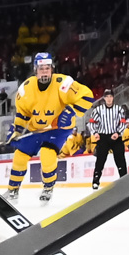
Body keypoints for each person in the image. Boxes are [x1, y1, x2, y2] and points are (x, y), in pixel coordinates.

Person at [7, 52, 94, 203]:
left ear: (52, 69)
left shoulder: (63, 84)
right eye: (41, 68)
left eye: (47, 68)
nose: (44, 71)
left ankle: (48, 188)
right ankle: (13, 190)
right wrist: (16, 131)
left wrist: (71, 111)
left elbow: (87, 97)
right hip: (37, 129)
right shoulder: (25, 89)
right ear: (35, 70)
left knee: (47, 154)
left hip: (59, 129)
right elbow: (23, 115)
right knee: (20, 155)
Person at [88, 89, 128, 188]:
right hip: (103, 137)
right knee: (100, 160)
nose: (109, 99)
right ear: (104, 98)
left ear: (113, 97)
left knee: (120, 159)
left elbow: (123, 122)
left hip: (116, 136)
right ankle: (96, 180)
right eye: (107, 97)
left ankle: (125, 179)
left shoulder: (119, 109)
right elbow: (91, 123)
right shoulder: (98, 110)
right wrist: (95, 133)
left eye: (110, 96)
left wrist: (118, 133)